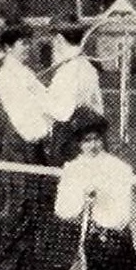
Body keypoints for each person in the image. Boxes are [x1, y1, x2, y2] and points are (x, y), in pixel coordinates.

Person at [42, 114, 136, 270]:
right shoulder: (72, 168)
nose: (93, 145)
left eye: (96, 139)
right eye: (87, 141)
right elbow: (61, 209)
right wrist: (80, 201)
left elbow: (121, 214)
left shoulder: (119, 169)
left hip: (108, 236)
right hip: (78, 234)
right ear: (79, 144)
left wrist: (100, 208)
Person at [0, 24, 59, 270]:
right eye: (23, 44)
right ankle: (15, 261)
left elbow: (46, 102)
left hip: (31, 141)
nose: (28, 47)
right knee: (19, 200)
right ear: (8, 48)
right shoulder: (7, 76)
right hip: (18, 143)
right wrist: (42, 133)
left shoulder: (24, 72)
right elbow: (23, 116)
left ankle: (34, 257)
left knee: (35, 198)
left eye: (29, 42)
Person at [43, 19, 105, 165]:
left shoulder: (69, 70)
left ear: (59, 39)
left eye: (53, 39)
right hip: (87, 135)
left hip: (70, 138)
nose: (53, 44)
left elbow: (62, 112)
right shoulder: (87, 66)